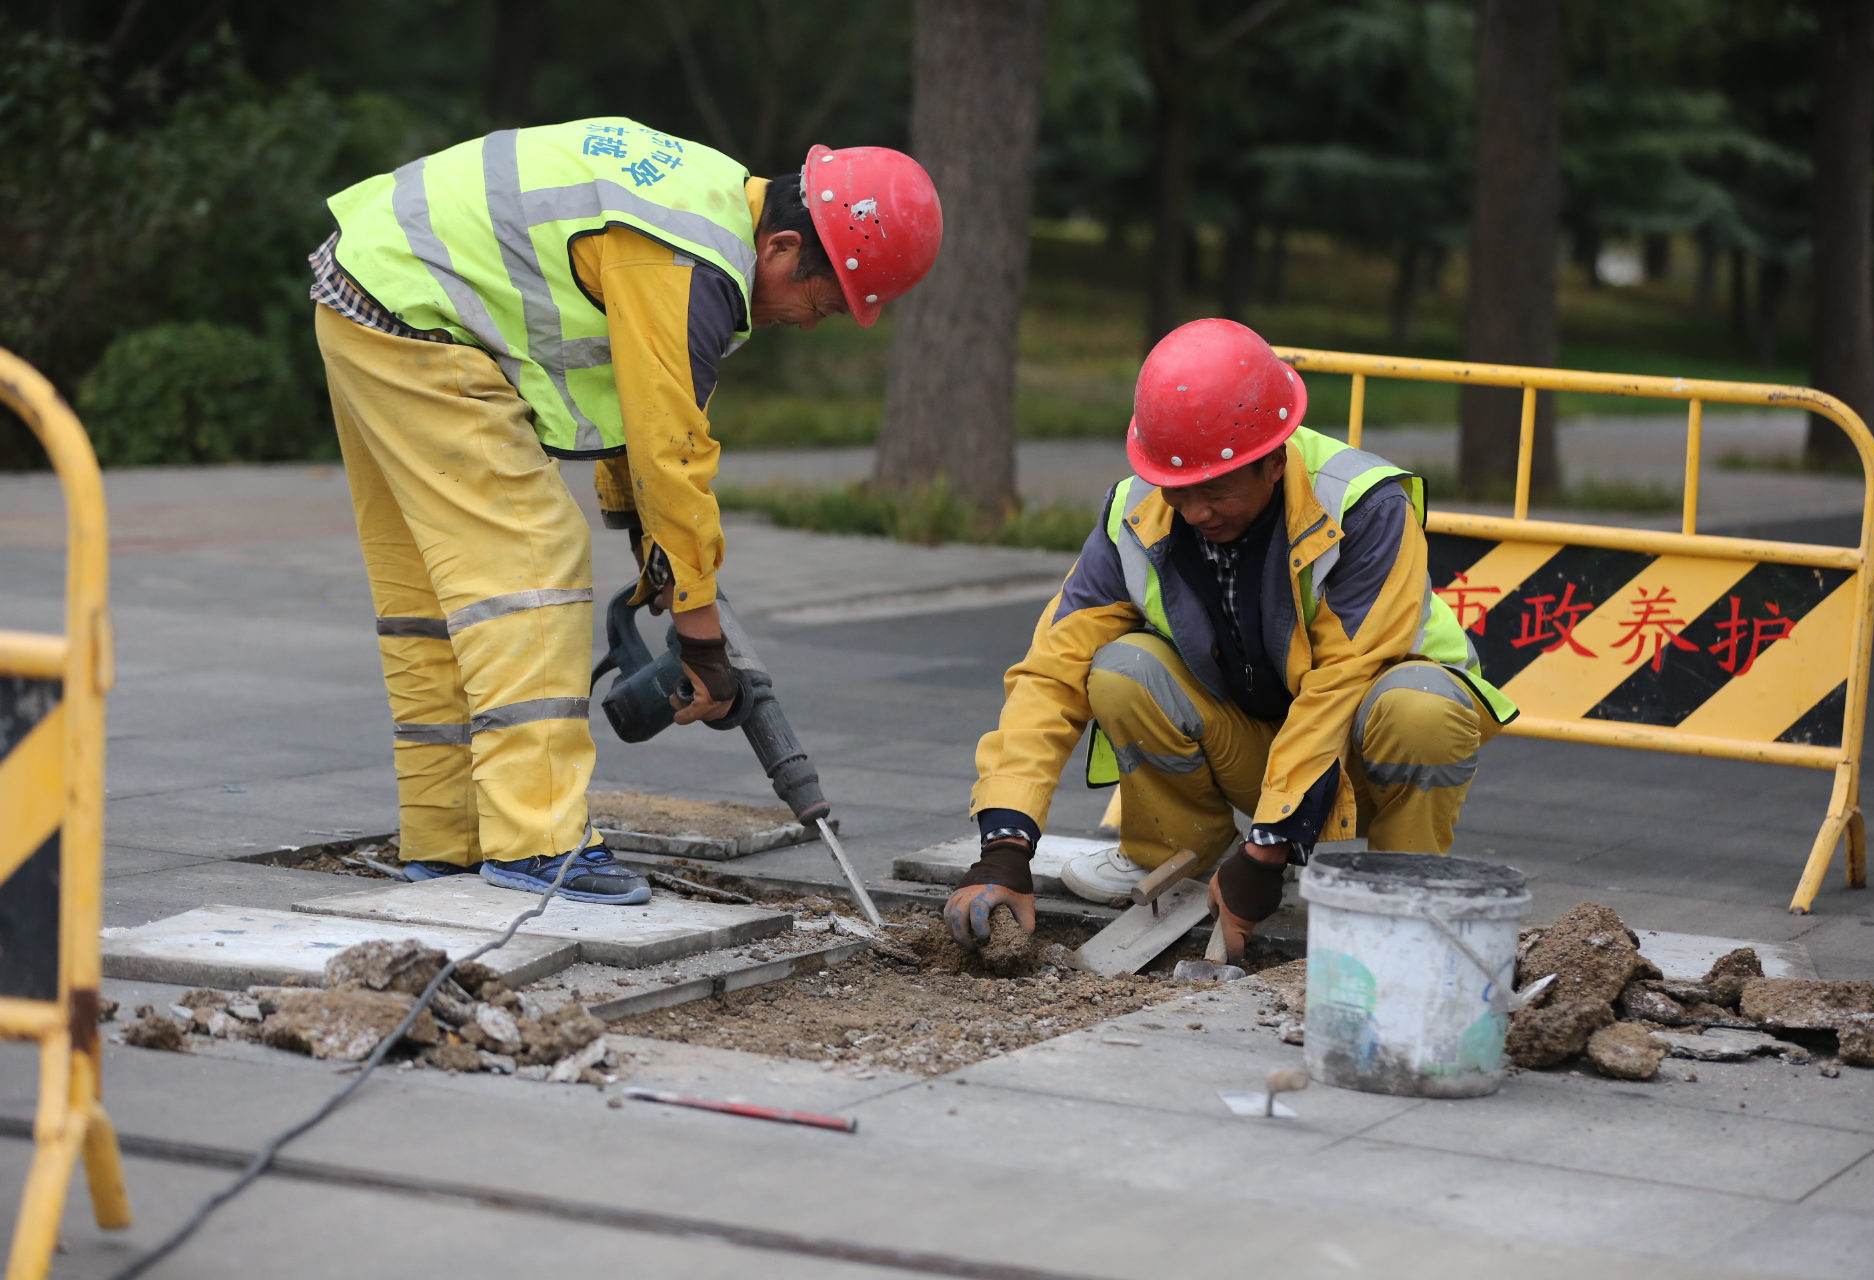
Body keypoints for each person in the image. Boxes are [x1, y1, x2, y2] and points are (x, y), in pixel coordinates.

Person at [312, 119, 940, 904]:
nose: (814, 321)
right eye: (826, 301)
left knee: (436, 601)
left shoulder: (701, 208)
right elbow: (673, 457)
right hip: (420, 321)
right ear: (781, 247)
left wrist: (648, 544)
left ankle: (449, 839)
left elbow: (631, 406)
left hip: (369, 294)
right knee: (532, 567)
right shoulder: (692, 264)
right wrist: (702, 637)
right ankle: (539, 844)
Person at [944, 319, 1516, 960]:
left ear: (1275, 461)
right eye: (1178, 492)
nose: (1193, 514)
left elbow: (1340, 682)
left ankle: (1404, 897)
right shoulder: (1136, 511)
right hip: (1254, 743)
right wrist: (1005, 845)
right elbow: (1051, 670)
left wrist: (1267, 850)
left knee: (1422, 707)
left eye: (1214, 491)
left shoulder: (1363, 506)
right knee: (1120, 668)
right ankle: (1173, 863)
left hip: (1362, 746)